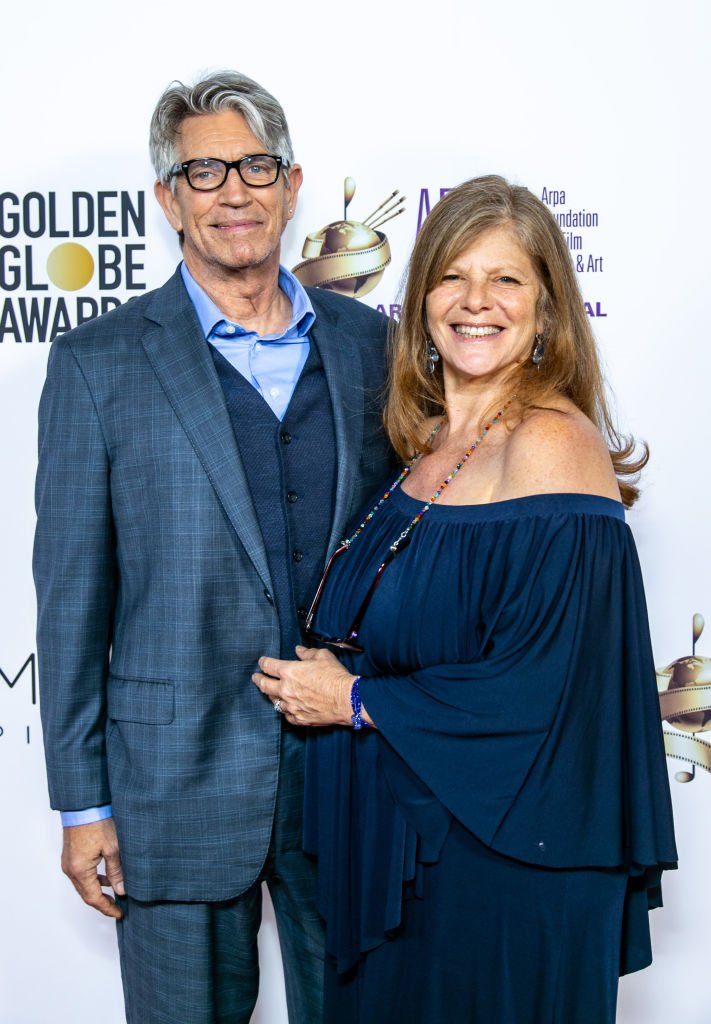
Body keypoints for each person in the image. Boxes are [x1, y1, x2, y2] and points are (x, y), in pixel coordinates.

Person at [253, 175, 678, 1023]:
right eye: (452, 275)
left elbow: (549, 690)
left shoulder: (552, 445)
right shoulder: (425, 449)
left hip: (506, 869)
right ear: (421, 302)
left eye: (506, 279)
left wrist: (354, 700)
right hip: (415, 855)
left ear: (547, 310)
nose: (474, 301)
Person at [33, 70, 394, 1024]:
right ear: (168, 199)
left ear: (291, 183)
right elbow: (71, 604)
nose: (234, 190)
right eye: (203, 172)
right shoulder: (97, 363)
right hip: (169, 786)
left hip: (350, 780)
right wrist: (82, 806)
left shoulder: (372, 350)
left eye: (254, 165)